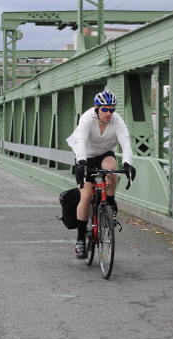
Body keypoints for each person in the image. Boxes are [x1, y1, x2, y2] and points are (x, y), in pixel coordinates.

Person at [66, 90, 136, 259]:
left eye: (112, 110)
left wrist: (128, 164)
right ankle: (81, 239)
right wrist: (81, 163)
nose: (108, 113)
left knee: (112, 169)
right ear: (97, 109)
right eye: (105, 109)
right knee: (87, 195)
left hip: (105, 154)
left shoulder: (117, 120)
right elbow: (81, 140)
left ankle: (110, 203)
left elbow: (126, 142)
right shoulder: (87, 118)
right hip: (85, 156)